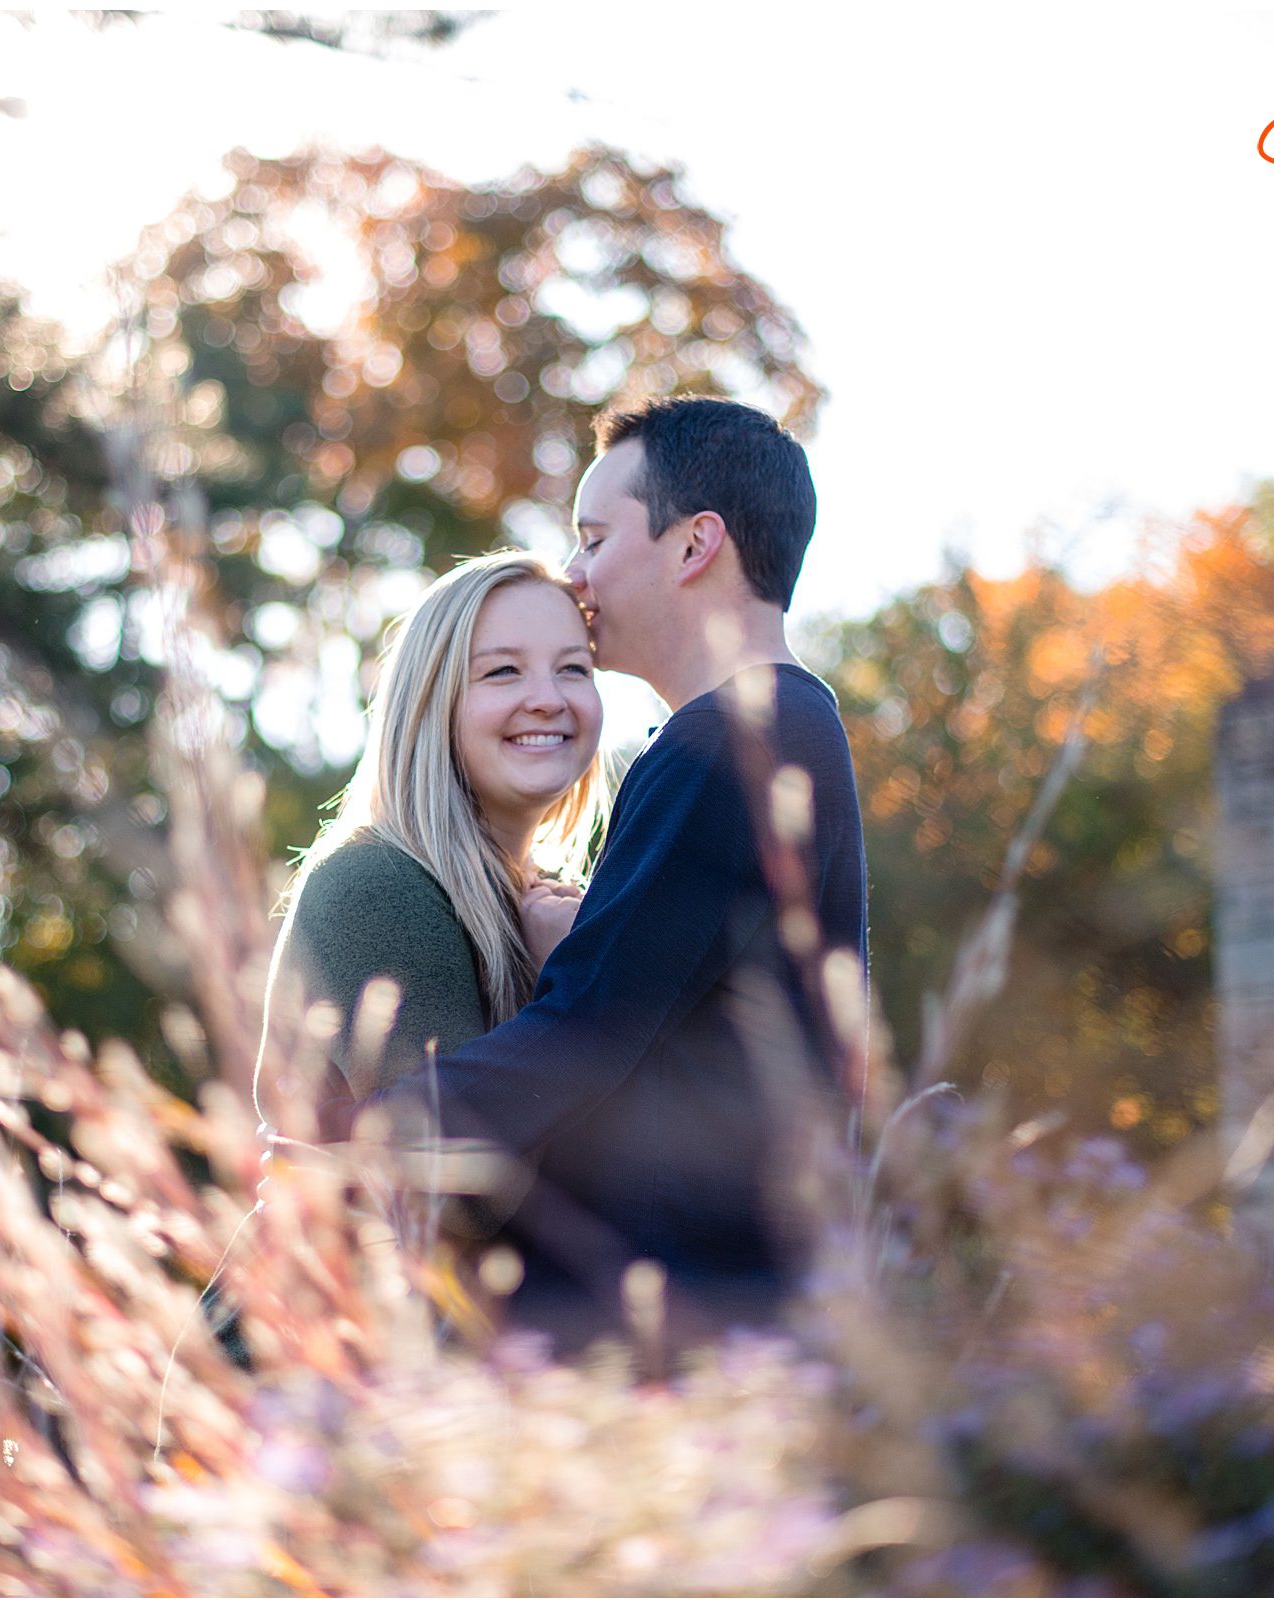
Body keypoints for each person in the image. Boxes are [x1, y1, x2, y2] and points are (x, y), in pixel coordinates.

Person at [358, 395, 869, 1350]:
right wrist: (590, 936)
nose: (576, 574)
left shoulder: (725, 742)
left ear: (694, 545)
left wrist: (363, 1141)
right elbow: (675, 1000)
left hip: (675, 1316)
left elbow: (589, 1034)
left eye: (594, 539)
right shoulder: (786, 727)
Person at [251, 550, 609, 1148]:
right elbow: (455, 1176)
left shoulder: (546, 900)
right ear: (429, 700)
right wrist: (573, 986)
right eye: (503, 671)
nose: (548, 698)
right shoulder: (378, 883)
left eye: (573, 668)